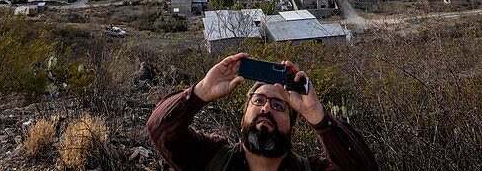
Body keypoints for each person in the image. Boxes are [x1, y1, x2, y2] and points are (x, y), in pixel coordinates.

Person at [147, 52, 378, 171]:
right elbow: (159, 130)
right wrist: (200, 92)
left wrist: (318, 116)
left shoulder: (311, 169)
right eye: (258, 101)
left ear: (292, 133)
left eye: (278, 106)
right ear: (241, 121)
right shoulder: (211, 159)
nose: (266, 108)